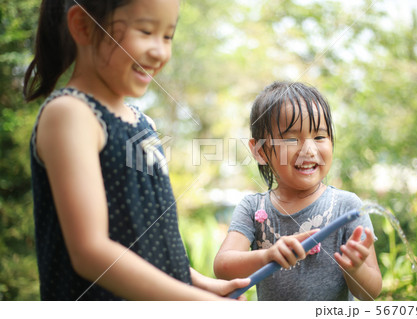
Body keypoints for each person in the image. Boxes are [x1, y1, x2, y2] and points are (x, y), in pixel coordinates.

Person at [23, 0, 249, 300]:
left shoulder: (144, 123)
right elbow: (91, 251)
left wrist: (201, 284)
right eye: (145, 31)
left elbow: (151, 241)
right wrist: (201, 304)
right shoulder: (71, 114)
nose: (161, 51)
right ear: (83, 26)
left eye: (168, 36)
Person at [214, 81, 382, 301]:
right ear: (259, 151)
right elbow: (223, 266)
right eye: (291, 138)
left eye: (320, 137)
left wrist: (355, 268)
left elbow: (371, 293)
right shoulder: (253, 208)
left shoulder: (347, 206)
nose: (309, 150)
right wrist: (268, 255)